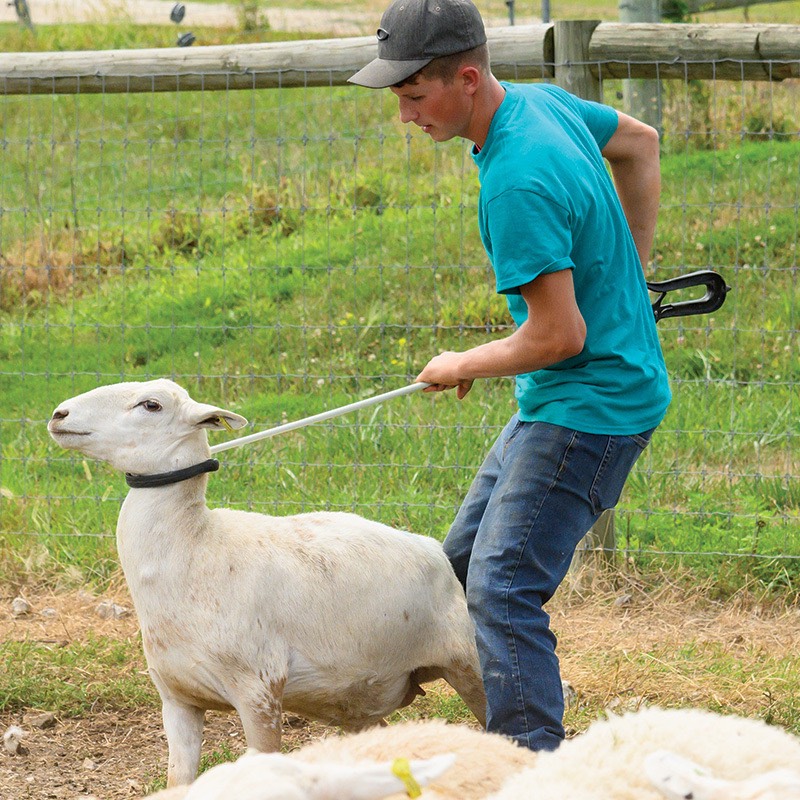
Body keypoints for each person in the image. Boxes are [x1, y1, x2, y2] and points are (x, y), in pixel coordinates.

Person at [349, 0, 671, 752]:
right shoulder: (539, 103)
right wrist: (633, 267)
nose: (404, 117)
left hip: (593, 408)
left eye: (413, 97)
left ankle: (532, 766)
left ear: (465, 78)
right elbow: (641, 143)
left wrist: (463, 362)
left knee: (501, 589)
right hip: (568, 395)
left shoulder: (516, 181)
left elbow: (558, 336)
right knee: (457, 568)